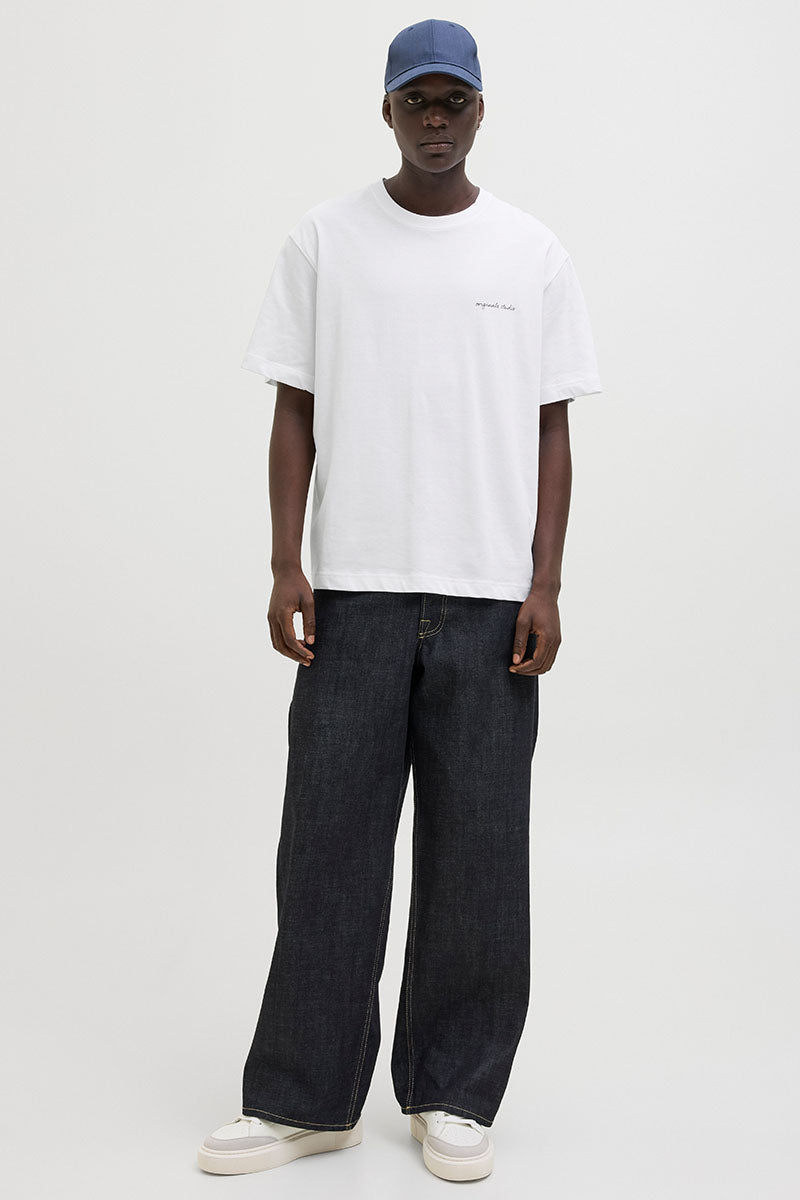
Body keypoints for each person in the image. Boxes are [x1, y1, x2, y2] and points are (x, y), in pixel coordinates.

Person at [197, 17, 602, 1183]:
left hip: (486, 604)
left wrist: (544, 582)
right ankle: (306, 1099)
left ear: (479, 111)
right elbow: (293, 409)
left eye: (452, 100)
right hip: (354, 598)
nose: (434, 117)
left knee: (478, 860)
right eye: (415, 99)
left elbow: (551, 430)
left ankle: (453, 1091)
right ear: (384, 109)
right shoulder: (324, 241)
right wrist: (285, 565)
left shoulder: (529, 253)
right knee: (326, 852)